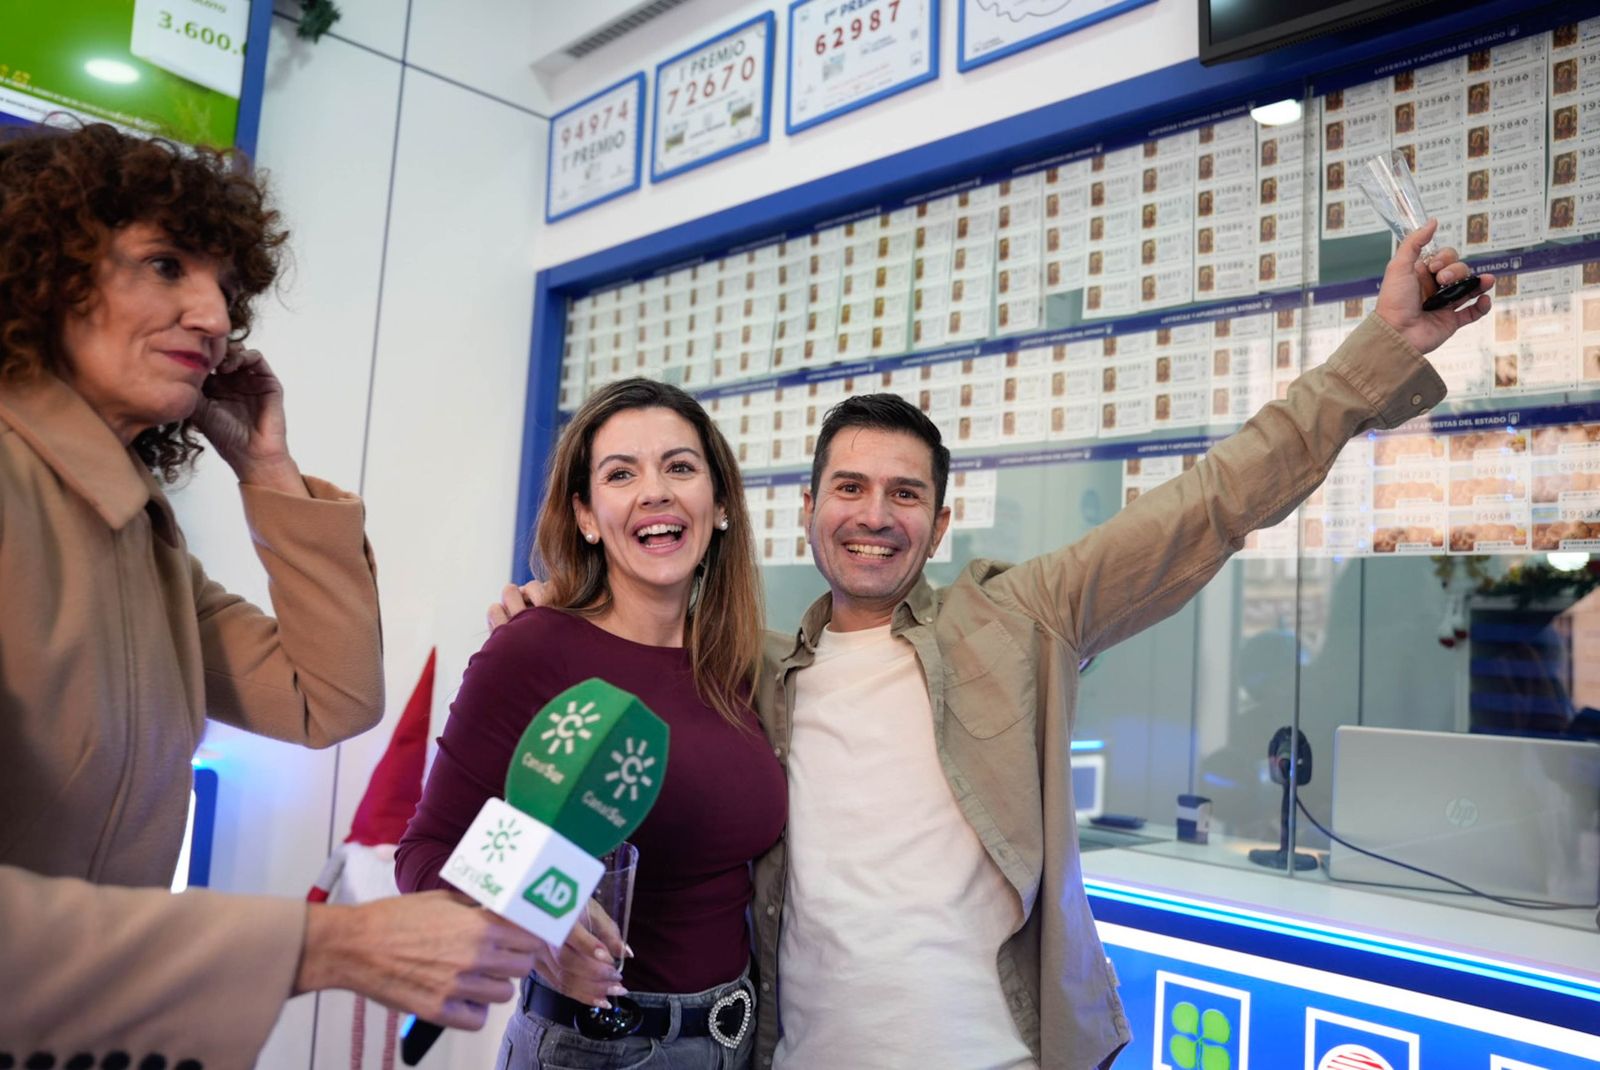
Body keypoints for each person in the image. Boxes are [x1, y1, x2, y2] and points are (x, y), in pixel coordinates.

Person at [497, 223, 1491, 1069]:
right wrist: (563, 611)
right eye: (847, 488)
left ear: (938, 524)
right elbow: (523, 796)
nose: (873, 516)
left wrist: (1383, 343)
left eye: (904, 494)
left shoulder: (1021, 617)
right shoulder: (741, 672)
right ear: (804, 510)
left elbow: (1215, 500)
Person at [0, 123, 539, 1069]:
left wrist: (270, 468)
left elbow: (325, 698)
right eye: (165, 265)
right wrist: (328, 945)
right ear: (41, 273)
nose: (213, 316)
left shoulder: (137, 536)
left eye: (225, 288)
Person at [400, 378, 784, 1069]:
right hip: (593, 1046)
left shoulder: (741, 662)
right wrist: (537, 931)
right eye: (620, 473)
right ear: (585, 514)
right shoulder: (533, 647)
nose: (655, 491)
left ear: (719, 504)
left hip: (739, 1042)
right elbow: (426, 854)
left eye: (680, 467)